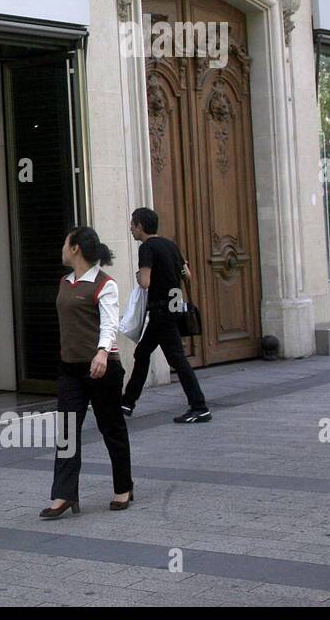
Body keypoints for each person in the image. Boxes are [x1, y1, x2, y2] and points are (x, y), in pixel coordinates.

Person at [42, 226, 133, 519]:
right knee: (67, 431)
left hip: (101, 368)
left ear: (75, 248)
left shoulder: (104, 284)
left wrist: (103, 352)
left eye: (65, 243)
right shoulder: (65, 282)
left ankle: (123, 487)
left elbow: (109, 324)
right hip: (70, 369)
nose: (62, 249)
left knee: (111, 428)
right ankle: (64, 494)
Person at [121, 207, 211, 424]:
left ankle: (199, 406)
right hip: (173, 307)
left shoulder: (147, 248)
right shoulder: (171, 245)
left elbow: (145, 282)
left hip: (161, 311)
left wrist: (138, 275)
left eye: (133, 225)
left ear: (140, 226)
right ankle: (126, 402)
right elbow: (187, 275)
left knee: (177, 359)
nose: (131, 229)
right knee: (142, 353)